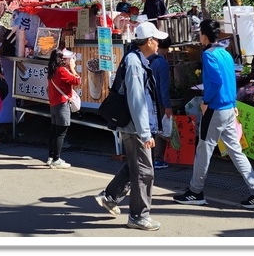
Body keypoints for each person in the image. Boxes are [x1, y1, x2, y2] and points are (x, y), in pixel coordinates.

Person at [174, 19, 254, 210]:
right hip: (228, 107)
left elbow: (215, 82)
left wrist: (206, 102)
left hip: (215, 108)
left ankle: (196, 191)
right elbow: (230, 80)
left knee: (204, 150)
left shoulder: (208, 55)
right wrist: (233, 103)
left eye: (199, 33)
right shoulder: (225, 53)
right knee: (236, 151)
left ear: (204, 34)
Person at [94, 22, 163, 231]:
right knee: (144, 172)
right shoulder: (134, 63)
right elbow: (136, 100)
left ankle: (110, 197)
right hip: (135, 128)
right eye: (156, 39)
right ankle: (139, 216)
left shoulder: (135, 59)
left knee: (135, 166)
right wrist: (145, 132)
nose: (159, 43)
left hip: (132, 126)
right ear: (149, 41)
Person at [46, 48, 80, 169]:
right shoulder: (62, 71)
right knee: (61, 133)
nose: (70, 60)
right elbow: (77, 80)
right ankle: (56, 159)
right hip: (62, 104)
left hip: (54, 104)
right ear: (62, 59)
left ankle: (51, 157)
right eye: (68, 58)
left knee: (54, 132)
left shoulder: (52, 70)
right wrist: (73, 68)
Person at [148, 37, 173, 170]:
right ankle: (158, 159)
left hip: (149, 100)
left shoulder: (150, 60)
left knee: (153, 128)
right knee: (161, 130)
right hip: (159, 101)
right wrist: (168, 106)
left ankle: (151, 157)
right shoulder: (162, 63)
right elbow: (164, 88)